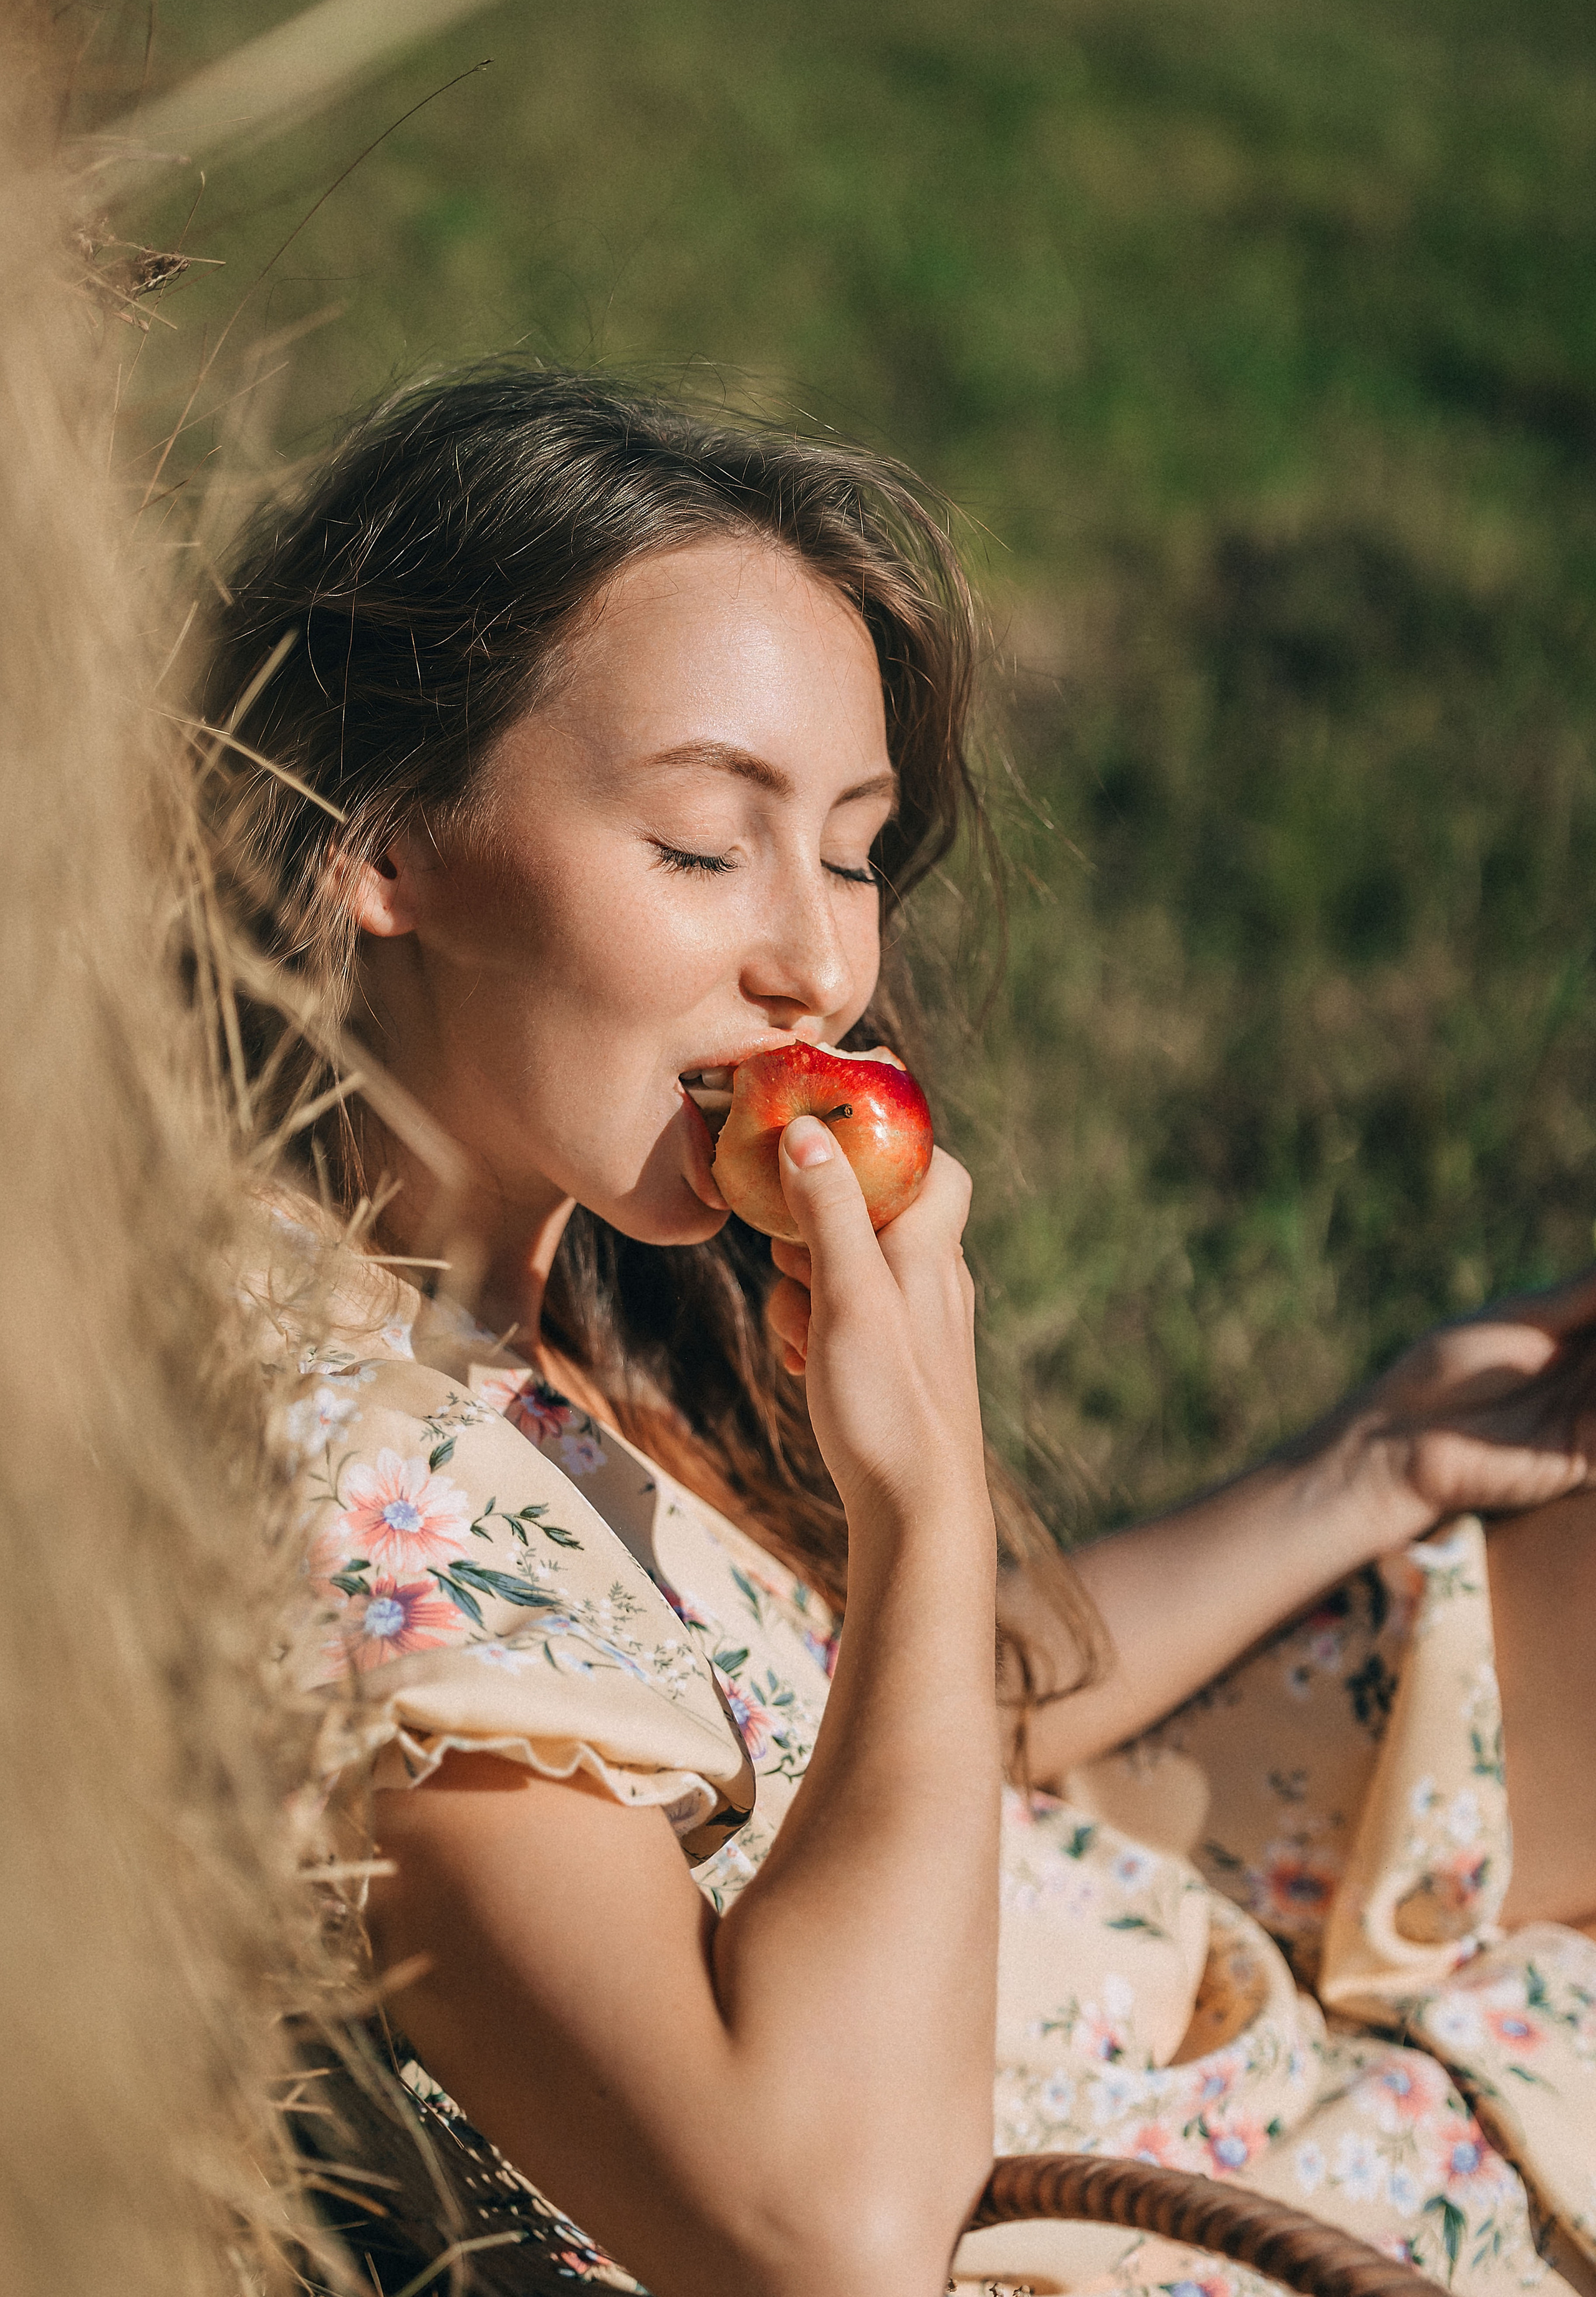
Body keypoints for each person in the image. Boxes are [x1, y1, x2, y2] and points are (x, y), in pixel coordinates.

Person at [210, 370, 1596, 2297]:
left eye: (854, 847)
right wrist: (923, 1494)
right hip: (1143, 2190)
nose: (828, 968)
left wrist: (1364, 1468)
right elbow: (828, 2242)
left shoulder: (495, 1327)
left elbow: (895, 1736)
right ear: (379, 849)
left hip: (1143, 1963)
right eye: (706, 844)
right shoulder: (364, 1490)